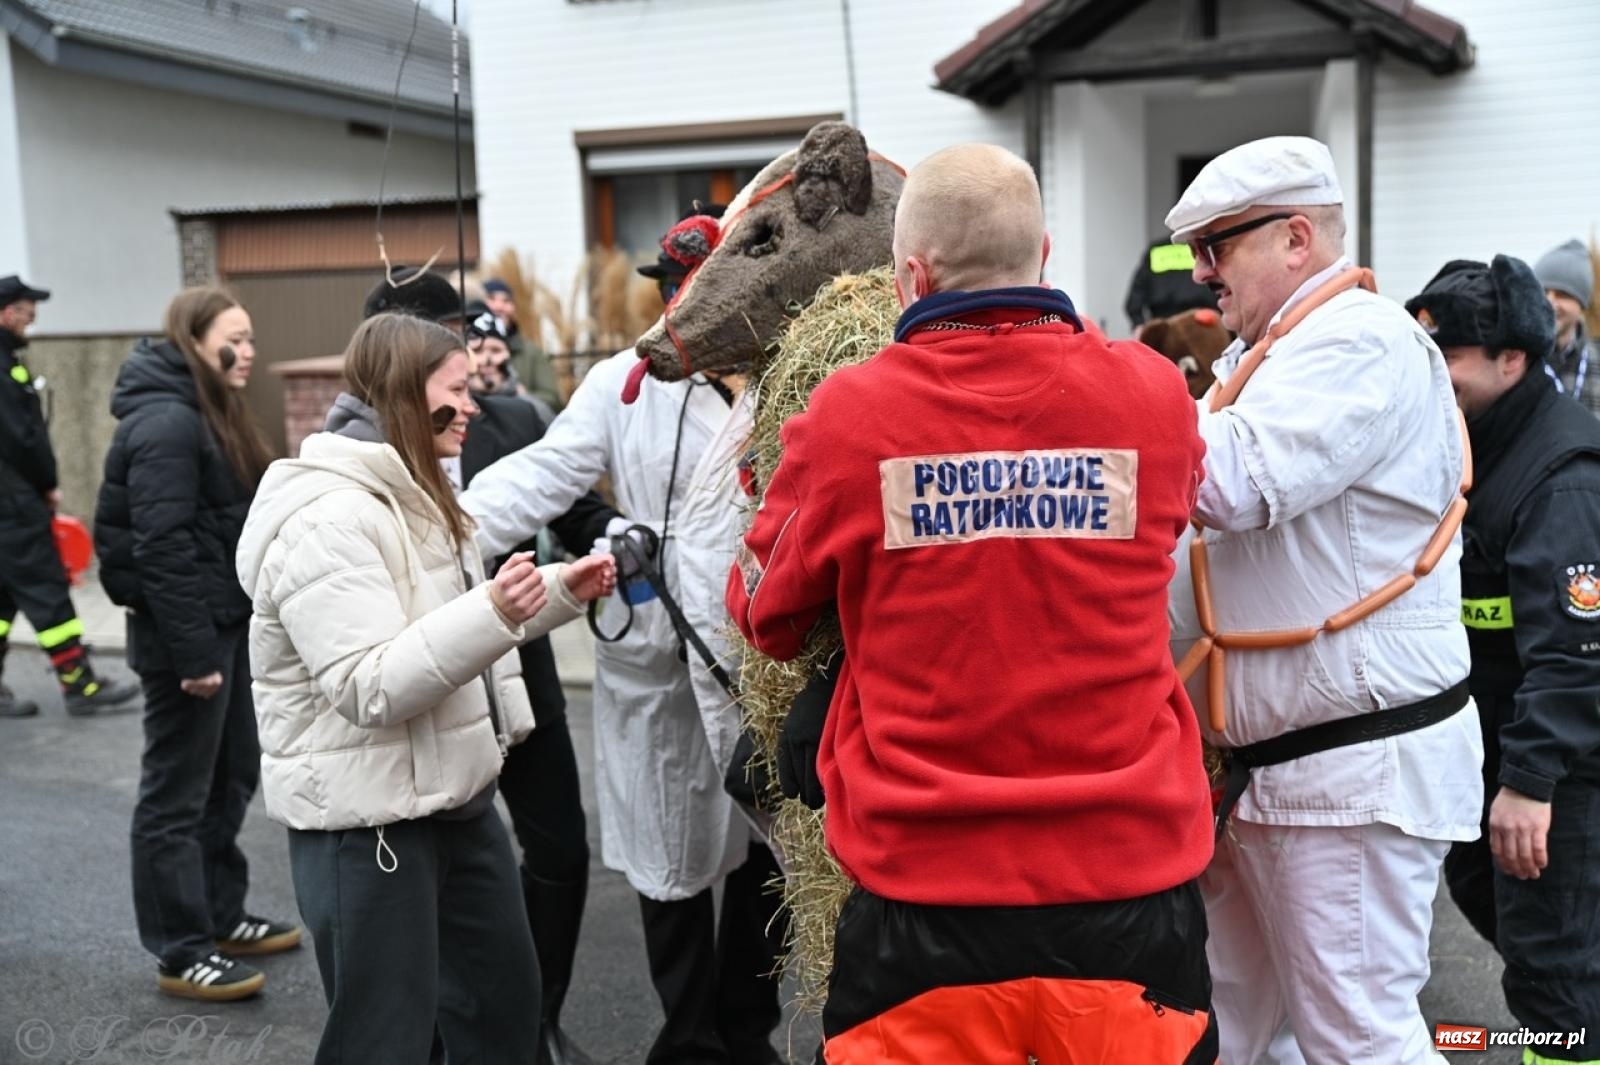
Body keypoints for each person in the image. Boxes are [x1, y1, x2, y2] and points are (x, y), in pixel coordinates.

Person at [729, 143, 1217, 1062]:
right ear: (1045, 254)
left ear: (910, 273)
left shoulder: (850, 415)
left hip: (925, 904)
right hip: (1130, 892)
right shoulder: (1154, 396)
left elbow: (765, 611)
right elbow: (1169, 517)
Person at [1167, 136, 1481, 1063]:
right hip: (1283, 775)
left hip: (1345, 775)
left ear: (1296, 238)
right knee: (1240, 1033)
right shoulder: (1270, 351)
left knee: (1359, 1040)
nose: (1200, 271)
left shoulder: (1356, 341)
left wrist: (1096, 394)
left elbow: (1226, 481)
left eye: (1217, 245)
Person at [235, 313, 615, 1064]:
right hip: (368, 825)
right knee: (384, 1041)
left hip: (455, 803)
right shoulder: (328, 518)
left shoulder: (425, 493)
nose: (473, 404)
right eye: (455, 389)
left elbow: (440, 626)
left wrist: (558, 591)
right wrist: (494, 610)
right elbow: (369, 683)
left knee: (505, 1007)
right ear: (407, 395)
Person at [461, 205, 788, 1065]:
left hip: (753, 650)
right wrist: (446, 528)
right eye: (673, 289)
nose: (683, 304)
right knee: (666, 851)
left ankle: (746, 1031)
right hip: (651, 650)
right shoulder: (621, 383)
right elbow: (548, 472)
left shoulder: (782, 378)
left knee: (766, 843)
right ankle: (690, 1041)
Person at [361, 268, 617, 1065]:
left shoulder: (510, 419)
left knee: (562, 851)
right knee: (442, 879)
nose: (466, 365)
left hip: (520, 667)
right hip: (427, 688)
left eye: (464, 336)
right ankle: (447, 1030)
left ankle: (537, 1017)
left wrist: (615, 536)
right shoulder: (361, 458)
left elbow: (573, 506)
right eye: (442, 343)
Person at [1406, 255, 1600, 1055]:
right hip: (1491, 756)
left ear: (1510, 360)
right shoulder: (1471, 438)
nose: (1431, 376)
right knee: (1524, 933)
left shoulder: (1561, 477)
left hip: (1556, 776)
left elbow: (1576, 654)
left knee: (1555, 980)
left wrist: (1528, 784)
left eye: (1445, 358)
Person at [94, 287, 297, 1000]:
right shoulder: (166, 422)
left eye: (249, 337)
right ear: (194, 340)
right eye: (234, 338)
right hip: (189, 643)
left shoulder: (207, 413)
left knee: (233, 771)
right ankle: (180, 948)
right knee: (175, 799)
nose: (249, 351)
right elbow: (158, 546)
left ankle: (218, 913)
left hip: (221, 627)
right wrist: (193, 657)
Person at [0, 274, 139, 717]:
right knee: (46, 587)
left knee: (3, 597)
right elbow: (24, 440)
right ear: (6, 313)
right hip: (13, 504)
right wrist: (46, 485)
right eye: (26, 312)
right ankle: (80, 684)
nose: (31, 320)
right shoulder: (4, 370)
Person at [1533, 238, 1600, 416]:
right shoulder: (1521, 358)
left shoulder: (1595, 356)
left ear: (1582, 305)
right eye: (1544, 292)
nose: (1550, 302)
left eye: (1562, 294)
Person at [484, 277, 562, 412]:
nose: (499, 306)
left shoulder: (531, 352)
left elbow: (553, 399)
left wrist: (521, 395)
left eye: (506, 301)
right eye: (492, 299)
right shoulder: (465, 349)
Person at [1123, 238, 1220, 332]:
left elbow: (1135, 299)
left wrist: (1138, 325)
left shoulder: (1157, 250)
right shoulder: (1203, 246)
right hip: (1205, 324)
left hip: (1165, 329)